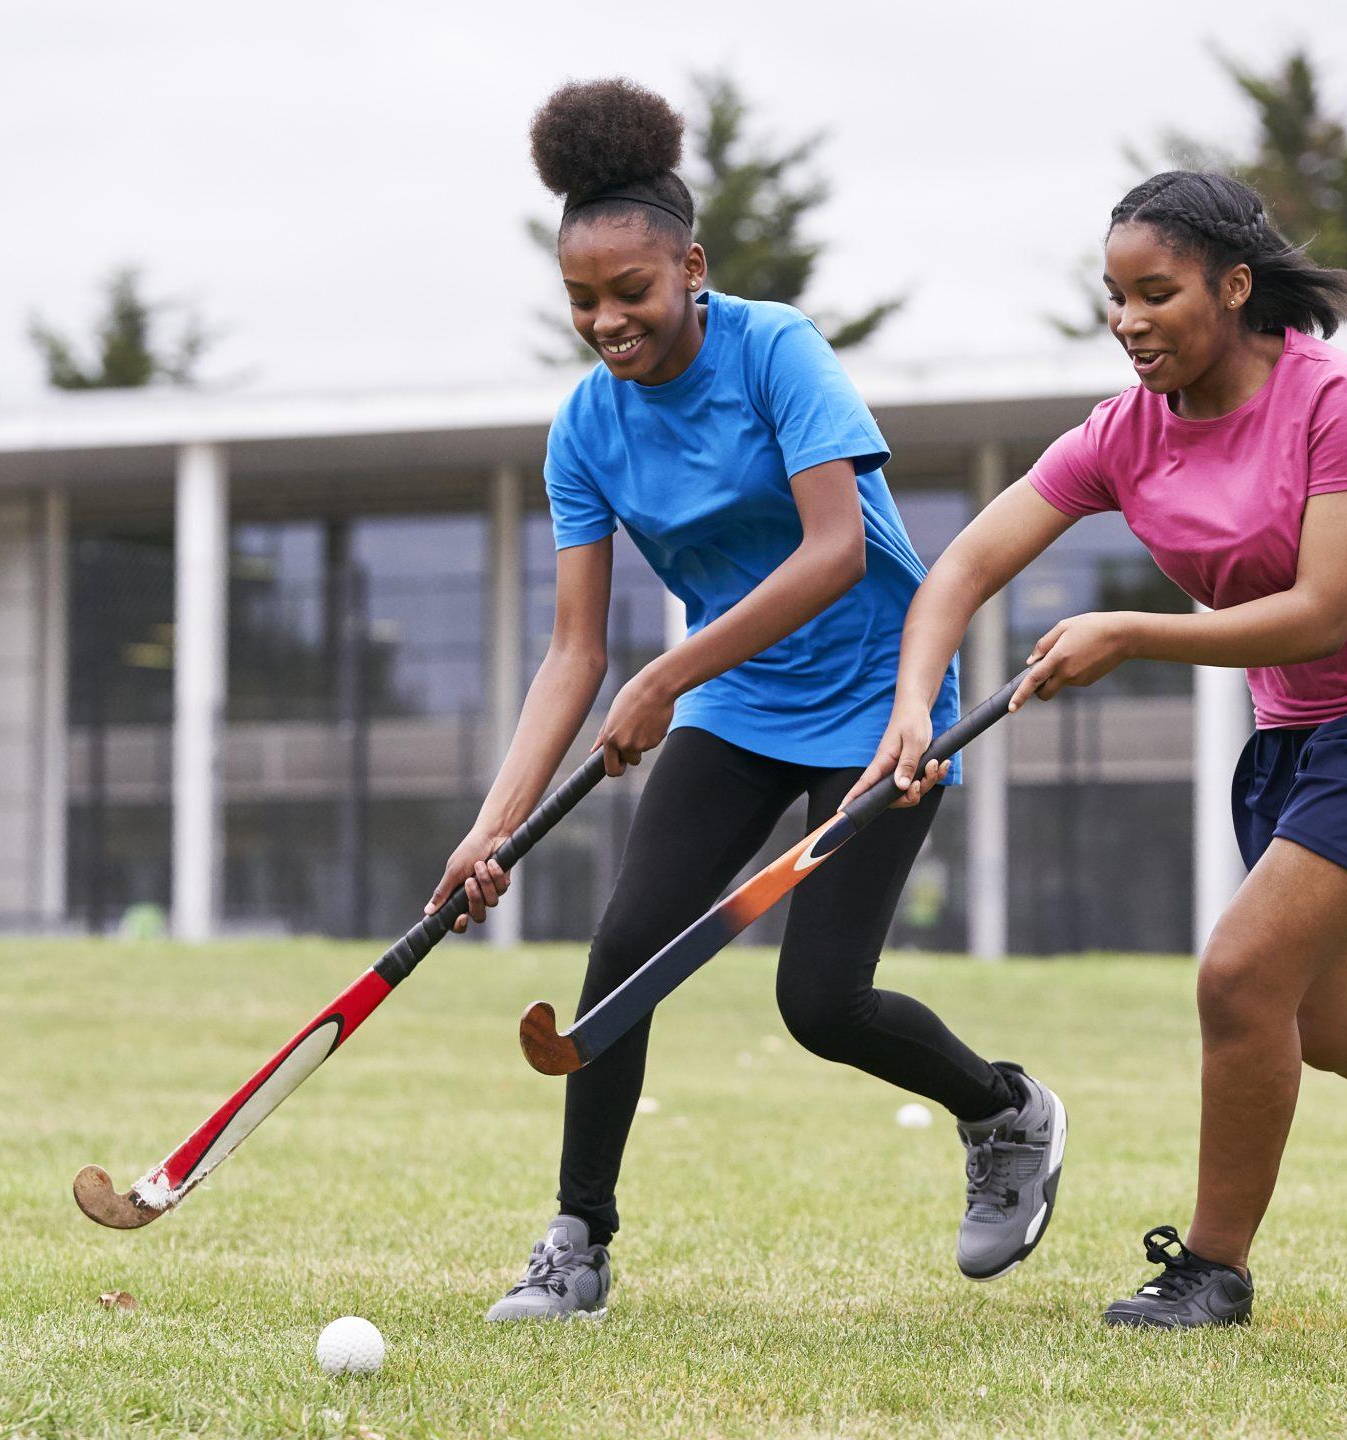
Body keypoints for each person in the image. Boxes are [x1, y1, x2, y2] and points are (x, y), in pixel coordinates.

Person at [851, 170, 1347, 1329]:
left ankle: (1212, 1268)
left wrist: (1130, 633)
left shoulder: (1337, 402)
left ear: (1233, 287)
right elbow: (961, 567)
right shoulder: (1123, 432)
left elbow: (1324, 612)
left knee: (1240, 976)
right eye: (1114, 296)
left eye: (1157, 293)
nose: (1128, 321)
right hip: (1297, 731)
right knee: (1336, 1026)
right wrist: (913, 707)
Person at [432, 79, 1066, 1322]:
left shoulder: (774, 350)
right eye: (581, 300)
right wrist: (491, 825)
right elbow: (572, 652)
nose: (608, 321)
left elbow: (835, 548)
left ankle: (1005, 1113)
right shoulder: (584, 431)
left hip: (882, 698)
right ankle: (578, 1242)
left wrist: (666, 673)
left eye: (631, 291)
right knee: (624, 953)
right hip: (736, 706)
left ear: (692, 270)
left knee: (821, 1002)